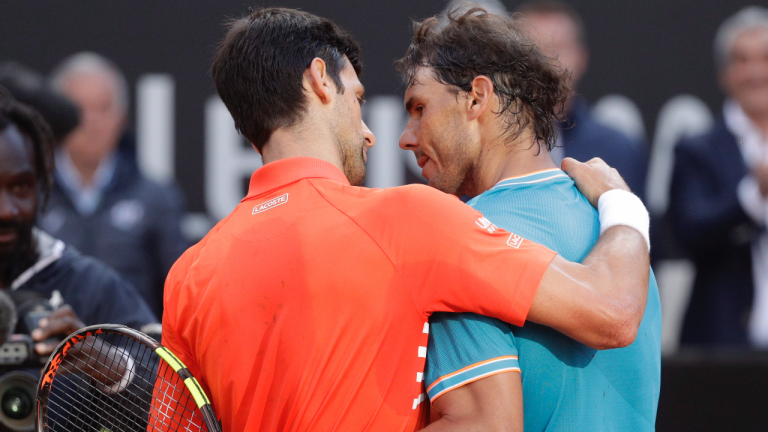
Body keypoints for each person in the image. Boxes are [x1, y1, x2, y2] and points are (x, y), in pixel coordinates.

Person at [159, 7, 650, 431]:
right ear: (319, 80)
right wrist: (623, 207)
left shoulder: (189, 273)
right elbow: (612, 309)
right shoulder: (408, 219)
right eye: (358, 99)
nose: (374, 135)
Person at [395, 6, 660, 431]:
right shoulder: (623, 242)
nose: (406, 137)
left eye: (419, 107)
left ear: (477, 97)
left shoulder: (460, 237)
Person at [0, 93, 157, 358]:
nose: (6, 210)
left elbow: (171, 386)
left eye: (21, 186)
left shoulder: (91, 287)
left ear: (42, 186)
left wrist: (110, 367)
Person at [39, 52, 186, 317]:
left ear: (122, 117)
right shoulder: (32, 196)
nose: (91, 123)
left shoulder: (156, 198)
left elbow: (180, 296)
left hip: (133, 352)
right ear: (56, 117)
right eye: (79, 109)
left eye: (103, 108)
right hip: (47, 352)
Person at [669, 6, 768, 348]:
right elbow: (689, 230)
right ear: (725, 74)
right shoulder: (698, 149)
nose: (756, 72)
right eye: (742, 60)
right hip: (724, 347)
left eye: (765, 58)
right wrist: (754, 194)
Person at [517, 0, 648, 200]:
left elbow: (636, 226)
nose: (545, 63)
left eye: (557, 49)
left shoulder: (618, 149)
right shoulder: (488, 147)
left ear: (581, 58)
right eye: (532, 51)